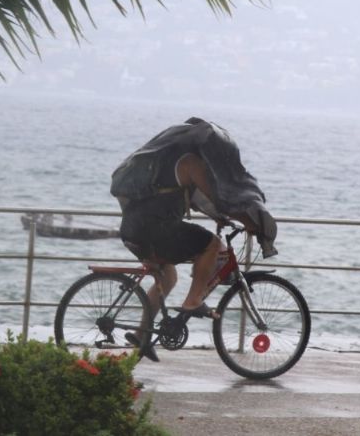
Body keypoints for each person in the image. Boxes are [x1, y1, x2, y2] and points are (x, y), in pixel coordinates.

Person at [110, 117, 277, 361]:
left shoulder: (167, 162)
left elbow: (197, 200)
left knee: (167, 276)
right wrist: (249, 223)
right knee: (213, 245)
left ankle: (141, 335)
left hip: (134, 229)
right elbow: (219, 198)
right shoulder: (190, 163)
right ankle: (193, 301)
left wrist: (217, 217)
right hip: (157, 229)